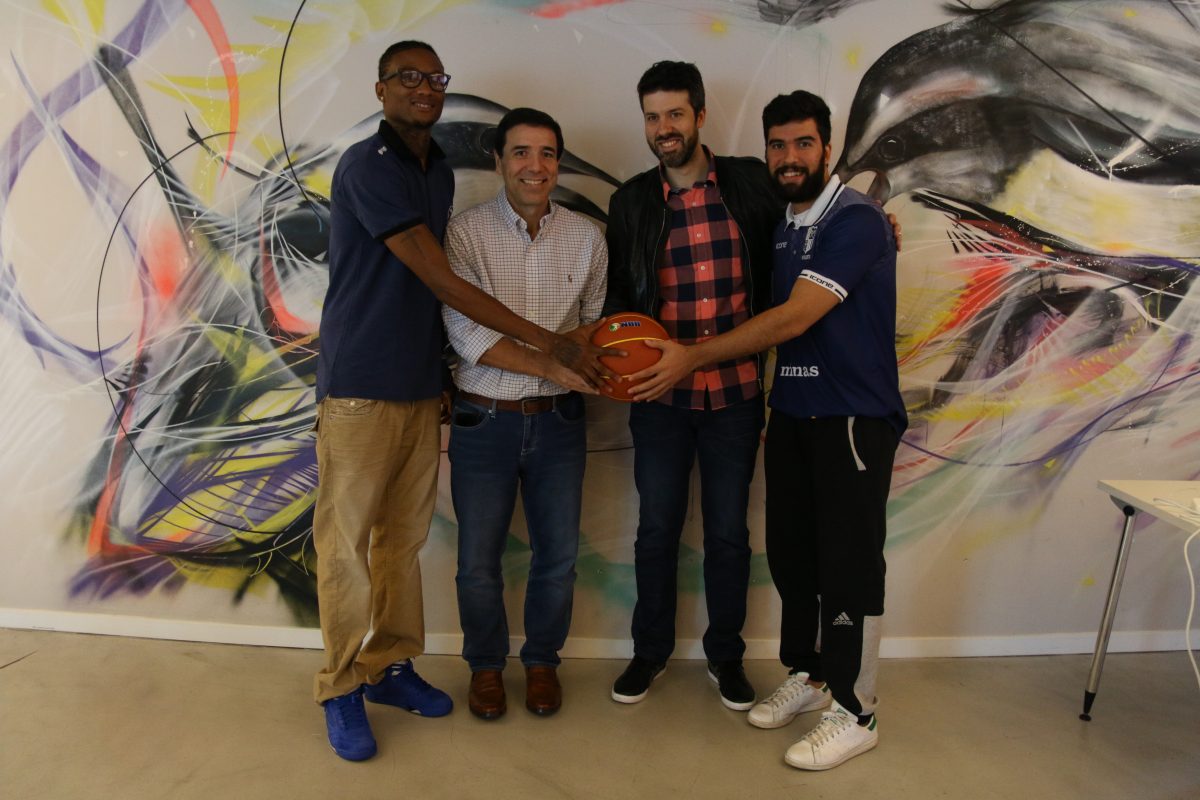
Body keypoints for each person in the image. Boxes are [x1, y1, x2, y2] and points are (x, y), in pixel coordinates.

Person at [313, 41, 605, 762]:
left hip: (422, 388)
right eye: (407, 77)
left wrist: (451, 379)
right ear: (381, 88)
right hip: (358, 387)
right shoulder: (367, 167)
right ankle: (340, 686)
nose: (423, 88)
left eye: (434, 78)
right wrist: (552, 346)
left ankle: (391, 665)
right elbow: (443, 284)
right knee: (345, 547)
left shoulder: (436, 172)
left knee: (401, 543)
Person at [626, 90, 907, 771]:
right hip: (792, 416)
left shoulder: (858, 220)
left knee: (849, 566)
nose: (789, 157)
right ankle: (811, 676)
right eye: (778, 145)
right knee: (794, 558)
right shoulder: (781, 223)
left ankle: (857, 708)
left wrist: (692, 357)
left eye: (803, 143)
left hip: (851, 419)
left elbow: (792, 317)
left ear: (828, 148)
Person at [603, 61, 781, 711]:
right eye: (652, 117)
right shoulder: (630, 202)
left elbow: (803, 229)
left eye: (675, 114)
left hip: (736, 396)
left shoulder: (751, 183)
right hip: (660, 400)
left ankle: (725, 657)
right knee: (657, 529)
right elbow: (619, 298)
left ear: (700, 115)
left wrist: (874, 219)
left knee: (729, 534)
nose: (664, 128)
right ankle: (649, 651)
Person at [442, 108, 607, 720]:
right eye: (520, 152)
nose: (534, 166)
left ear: (558, 162)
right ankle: (485, 668)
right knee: (477, 564)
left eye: (546, 153)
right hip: (483, 421)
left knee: (558, 559)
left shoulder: (588, 237)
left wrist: (572, 357)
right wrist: (552, 363)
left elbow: (591, 325)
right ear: (498, 161)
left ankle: (542, 663)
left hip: (560, 424)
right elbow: (467, 335)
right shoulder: (464, 234)